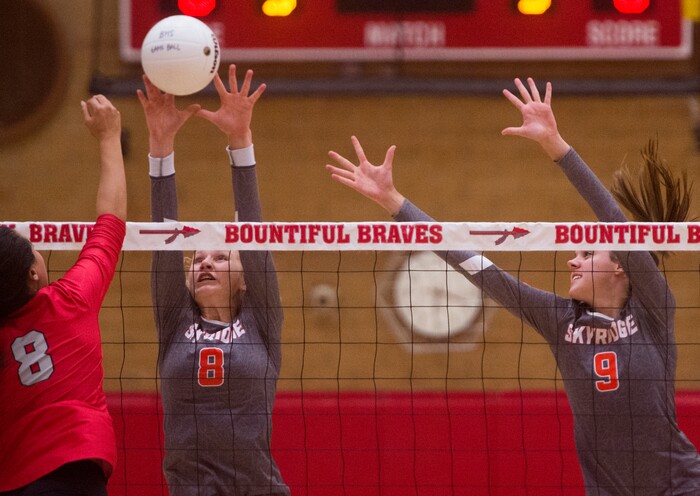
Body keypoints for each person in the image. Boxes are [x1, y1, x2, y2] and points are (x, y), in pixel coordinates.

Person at [325, 78, 700, 495]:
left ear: (622, 269)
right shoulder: (562, 323)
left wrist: (556, 145)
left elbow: (612, 217)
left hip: (680, 486)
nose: (572, 259)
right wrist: (394, 202)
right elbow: (480, 269)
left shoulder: (652, 310)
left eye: (588, 254)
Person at [138, 65, 289, 495]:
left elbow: (253, 233)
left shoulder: (263, 321)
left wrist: (240, 141)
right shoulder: (175, 320)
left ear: (245, 280)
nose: (204, 262)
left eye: (221, 257)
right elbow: (163, 234)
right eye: (197, 258)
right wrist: (161, 145)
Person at [0, 95, 127, 495]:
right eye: (32, 247)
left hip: (16, 480)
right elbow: (111, 222)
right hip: (77, 472)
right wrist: (109, 138)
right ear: (34, 274)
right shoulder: (70, 300)